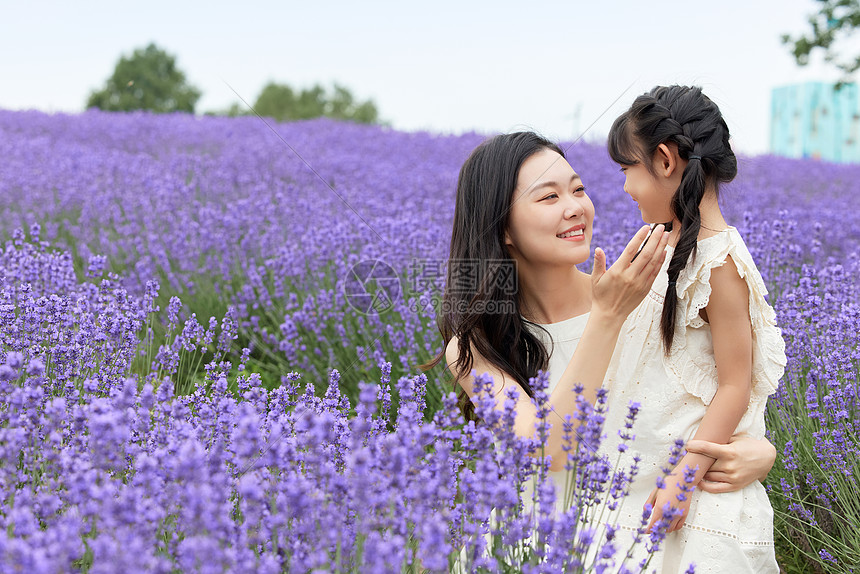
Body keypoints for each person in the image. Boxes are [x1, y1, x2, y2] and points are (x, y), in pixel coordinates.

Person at [429, 130, 778, 565]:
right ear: (504, 229)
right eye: (548, 197)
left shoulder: (646, 293)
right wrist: (606, 317)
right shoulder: (477, 347)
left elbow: (714, 396)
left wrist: (756, 450)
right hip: (542, 544)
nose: (575, 207)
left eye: (578, 189)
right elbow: (545, 449)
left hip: (655, 534)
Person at [602, 85, 786, 572]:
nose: (625, 187)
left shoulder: (719, 261)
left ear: (665, 160)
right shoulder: (666, 246)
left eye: (627, 170)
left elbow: (735, 384)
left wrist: (683, 480)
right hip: (642, 472)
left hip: (692, 486)